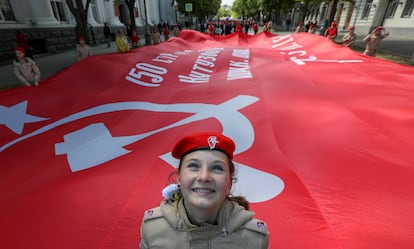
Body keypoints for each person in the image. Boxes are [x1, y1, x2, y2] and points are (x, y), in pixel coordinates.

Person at [139, 132, 270, 249]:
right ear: (179, 178)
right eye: (193, 166)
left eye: (217, 168)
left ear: (229, 183)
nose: (204, 177)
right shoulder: (153, 228)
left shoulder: (254, 238)